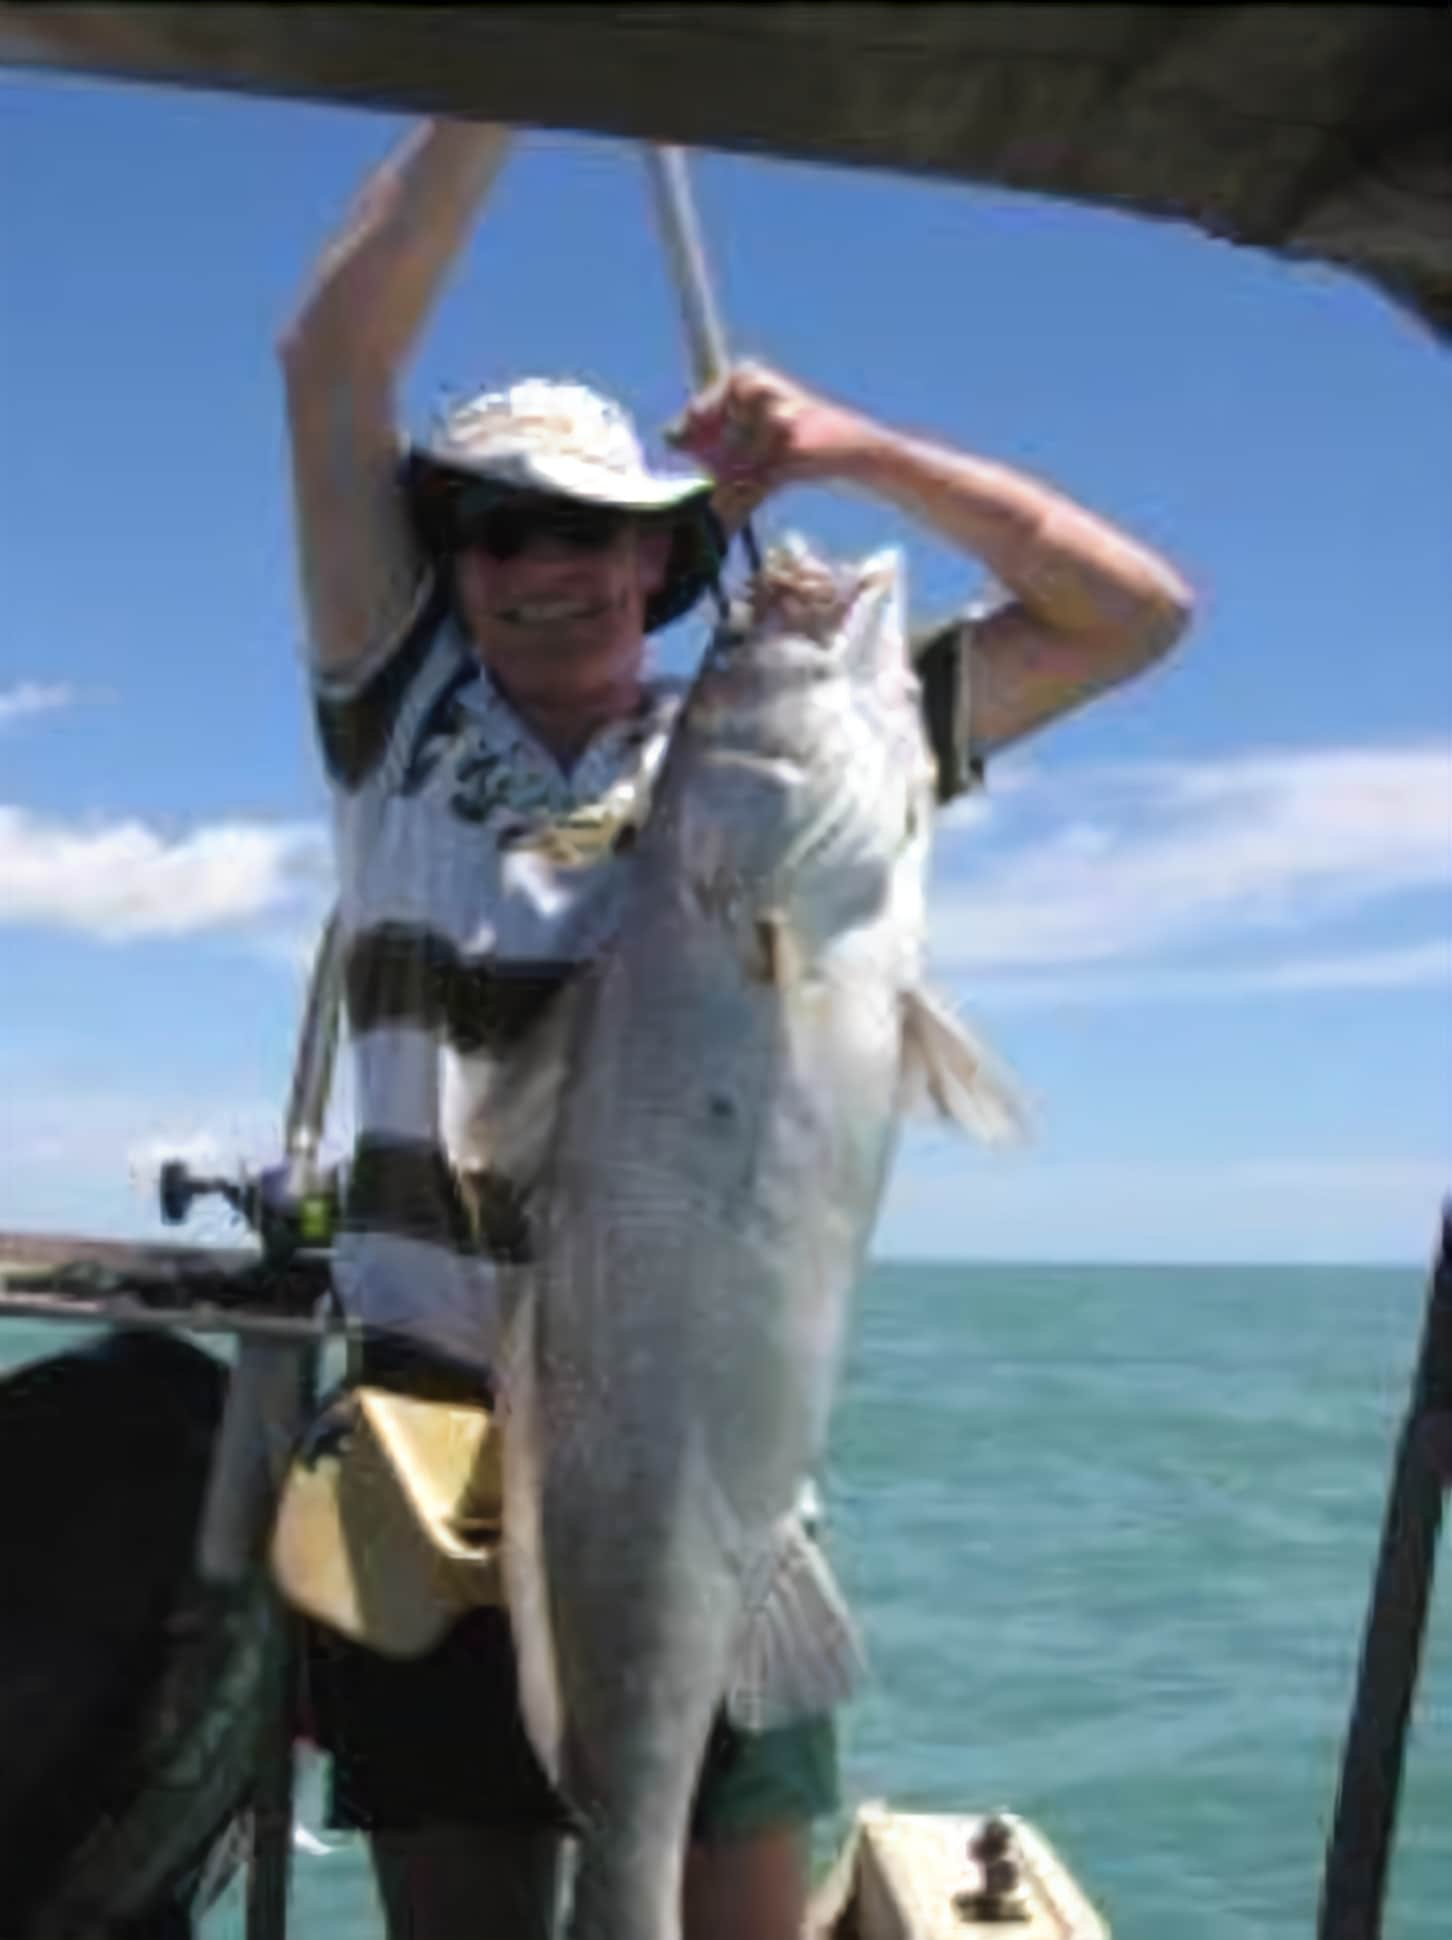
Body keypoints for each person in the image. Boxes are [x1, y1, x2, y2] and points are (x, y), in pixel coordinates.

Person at [280, 119, 1192, 1940]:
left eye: (599, 532)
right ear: (447, 566)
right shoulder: (394, 714)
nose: (550, 568)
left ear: (658, 561)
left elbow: (1132, 612)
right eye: (501, 531)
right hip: (426, 1447)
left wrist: (851, 449)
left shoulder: (801, 749)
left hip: (709, 1456)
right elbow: (330, 359)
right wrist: (503, 79)